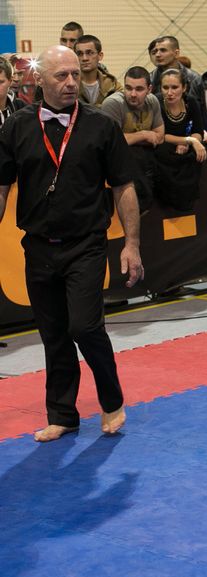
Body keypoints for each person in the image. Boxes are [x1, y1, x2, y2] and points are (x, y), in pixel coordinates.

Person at [0, 45, 143, 442]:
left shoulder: (101, 125)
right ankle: (62, 415)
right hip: (38, 246)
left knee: (84, 326)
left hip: (86, 244)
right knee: (53, 333)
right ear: (39, 79)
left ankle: (111, 399)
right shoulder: (16, 126)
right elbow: (2, 186)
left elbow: (124, 187)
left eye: (75, 75)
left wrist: (131, 244)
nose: (70, 82)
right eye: (61, 75)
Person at [100, 67, 165, 213]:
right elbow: (111, 142)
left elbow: (160, 136)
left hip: (146, 159)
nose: (133, 94)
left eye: (139, 89)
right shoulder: (113, 103)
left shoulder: (153, 101)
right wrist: (144, 135)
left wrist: (130, 139)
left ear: (149, 89)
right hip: (119, 162)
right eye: (128, 88)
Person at [154, 69, 206, 211]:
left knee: (198, 155)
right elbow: (160, 135)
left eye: (175, 87)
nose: (169, 92)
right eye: (165, 87)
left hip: (186, 148)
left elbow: (198, 131)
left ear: (184, 88)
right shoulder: (155, 102)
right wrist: (187, 140)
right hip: (164, 149)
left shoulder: (191, 102)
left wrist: (191, 142)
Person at [74, 35, 121, 107]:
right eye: (79, 54)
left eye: (90, 53)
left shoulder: (112, 84)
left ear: (100, 56)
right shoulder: (70, 83)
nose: (84, 58)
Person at [0, 57, 25, 125]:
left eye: (0, 82)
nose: (16, 79)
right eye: (14, 73)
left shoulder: (22, 107)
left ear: (10, 81)